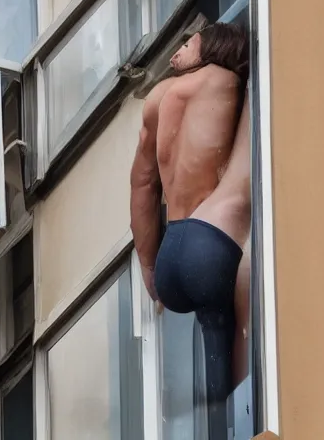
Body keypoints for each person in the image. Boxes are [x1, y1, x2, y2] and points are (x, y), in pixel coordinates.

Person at [129, 22, 250, 435]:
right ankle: (229, 426)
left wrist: (149, 265)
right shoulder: (228, 82)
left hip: (171, 252)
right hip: (208, 239)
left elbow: (143, 184)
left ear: (212, 46)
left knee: (211, 329)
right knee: (226, 333)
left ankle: (218, 427)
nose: (177, 50)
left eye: (188, 42)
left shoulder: (158, 100)